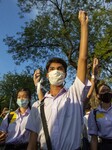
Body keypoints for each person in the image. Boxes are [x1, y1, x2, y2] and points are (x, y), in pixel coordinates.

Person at [26, 10, 91, 150]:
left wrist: (84, 26)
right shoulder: (38, 105)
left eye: (60, 68)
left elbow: (82, 59)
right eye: (52, 69)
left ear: (66, 74)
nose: (56, 71)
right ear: (47, 75)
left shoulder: (74, 95)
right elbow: (32, 141)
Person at [88, 83, 112, 150]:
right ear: (98, 96)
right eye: (103, 91)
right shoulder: (94, 113)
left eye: (108, 90)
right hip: (105, 146)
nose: (106, 92)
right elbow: (94, 138)